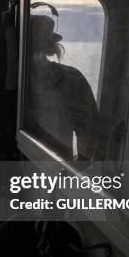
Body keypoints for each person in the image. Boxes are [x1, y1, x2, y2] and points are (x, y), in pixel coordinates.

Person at [24, 12, 99, 161]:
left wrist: (73, 170)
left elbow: (89, 135)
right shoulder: (72, 77)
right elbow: (90, 136)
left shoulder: (71, 79)